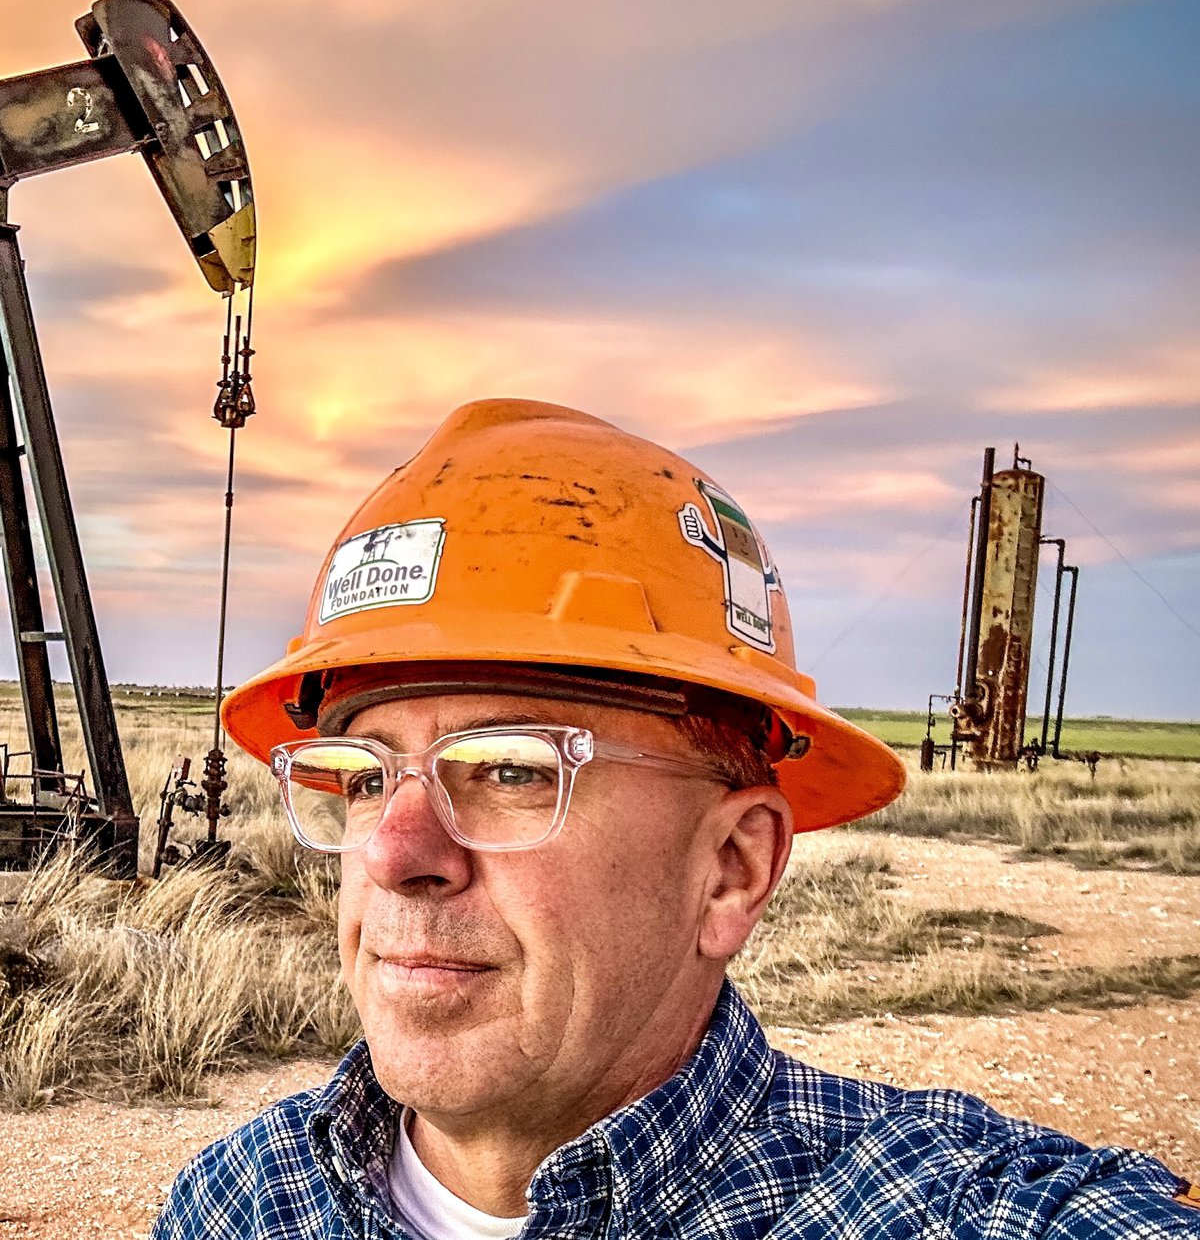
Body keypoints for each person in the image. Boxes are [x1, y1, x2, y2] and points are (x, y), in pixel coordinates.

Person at [153, 399, 1200, 1238]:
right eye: (364, 776)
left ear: (732, 868)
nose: (393, 851)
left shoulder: (947, 1212)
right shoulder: (240, 1203)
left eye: (511, 770)